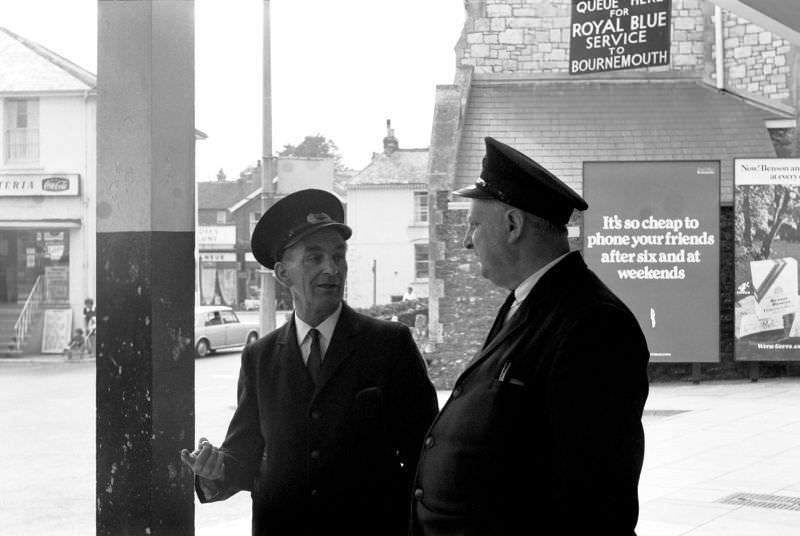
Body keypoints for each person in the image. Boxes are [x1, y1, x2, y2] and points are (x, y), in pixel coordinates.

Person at [411, 137, 650, 535]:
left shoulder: (594, 325)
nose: (467, 241)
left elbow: (595, 501)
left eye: (473, 225)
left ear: (512, 225)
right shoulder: (527, 299)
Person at [181, 188, 438, 535]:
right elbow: (244, 452)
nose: (331, 268)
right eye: (314, 258)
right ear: (283, 274)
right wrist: (215, 472)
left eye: (338, 255)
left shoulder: (389, 345)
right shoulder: (260, 357)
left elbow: (426, 452)